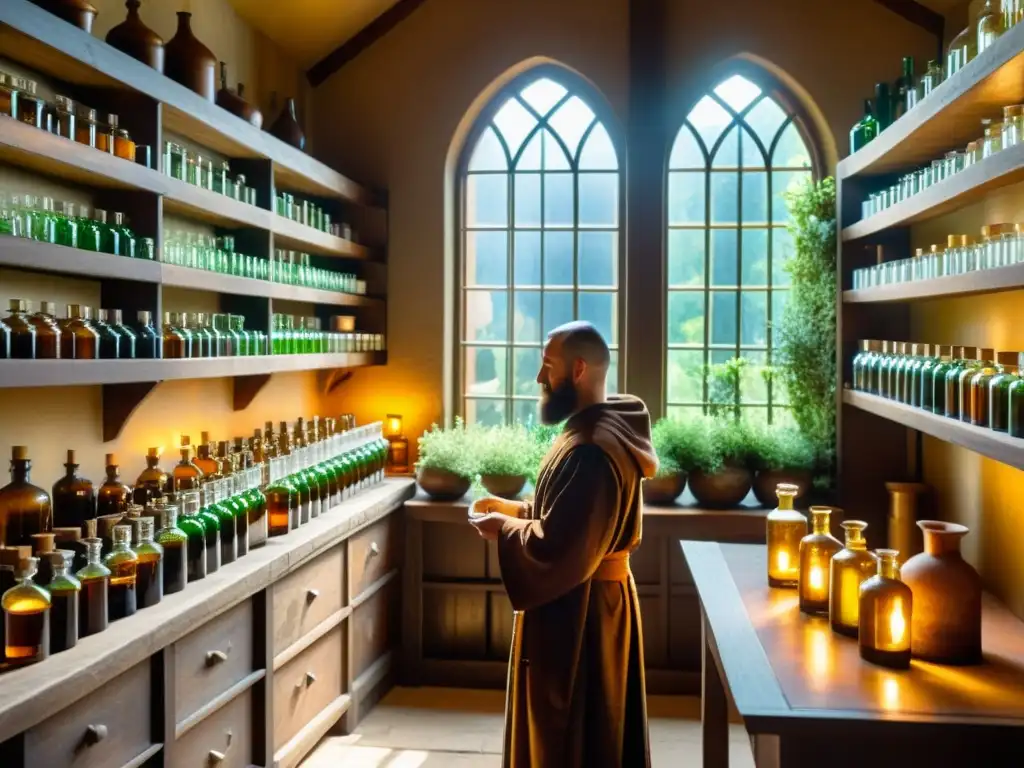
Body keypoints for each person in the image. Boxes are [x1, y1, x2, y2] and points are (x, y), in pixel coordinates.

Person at [469, 320, 657, 768]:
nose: (538, 378)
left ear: (577, 370)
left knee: (576, 731)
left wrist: (503, 530)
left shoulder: (593, 447)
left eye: (546, 365)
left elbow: (564, 547)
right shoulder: (597, 427)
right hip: (587, 600)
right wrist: (516, 512)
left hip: (583, 615)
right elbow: (569, 516)